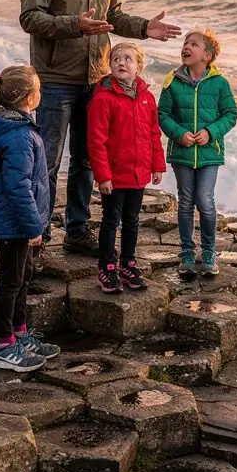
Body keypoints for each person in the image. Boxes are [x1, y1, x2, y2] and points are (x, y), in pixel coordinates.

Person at [20, 0, 181, 258]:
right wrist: (74, 25)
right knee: (47, 162)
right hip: (56, 79)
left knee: (86, 161)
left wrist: (145, 28)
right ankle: (37, 236)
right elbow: (30, 18)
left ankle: (76, 231)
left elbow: (113, 16)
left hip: (95, 81)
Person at [0, 63, 61, 371]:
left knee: (23, 277)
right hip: (14, 224)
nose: (40, 93)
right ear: (28, 97)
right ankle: (3, 345)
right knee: (11, 282)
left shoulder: (19, 129)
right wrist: (34, 226)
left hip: (19, 222)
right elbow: (17, 187)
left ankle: (20, 333)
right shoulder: (18, 137)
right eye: (38, 89)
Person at [157, 28, 237, 280]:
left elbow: (230, 114)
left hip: (209, 153)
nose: (186, 46)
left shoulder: (219, 83)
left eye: (193, 43)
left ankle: (210, 252)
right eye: (185, 43)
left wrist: (210, 132)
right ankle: (187, 253)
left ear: (207, 55)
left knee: (205, 200)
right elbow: (163, 115)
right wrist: (179, 133)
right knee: (185, 202)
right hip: (182, 152)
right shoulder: (172, 81)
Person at [87, 41, 166, 293]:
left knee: (132, 220)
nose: (121, 62)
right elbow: (96, 141)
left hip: (138, 173)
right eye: (116, 59)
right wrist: (103, 176)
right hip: (114, 175)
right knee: (111, 221)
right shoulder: (103, 99)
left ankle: (128, 264)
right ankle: (106, 267)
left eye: (128, 59)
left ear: (139, 66)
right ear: (109, 65)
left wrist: (157, 166)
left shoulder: (147, 98)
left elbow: (153, 135)